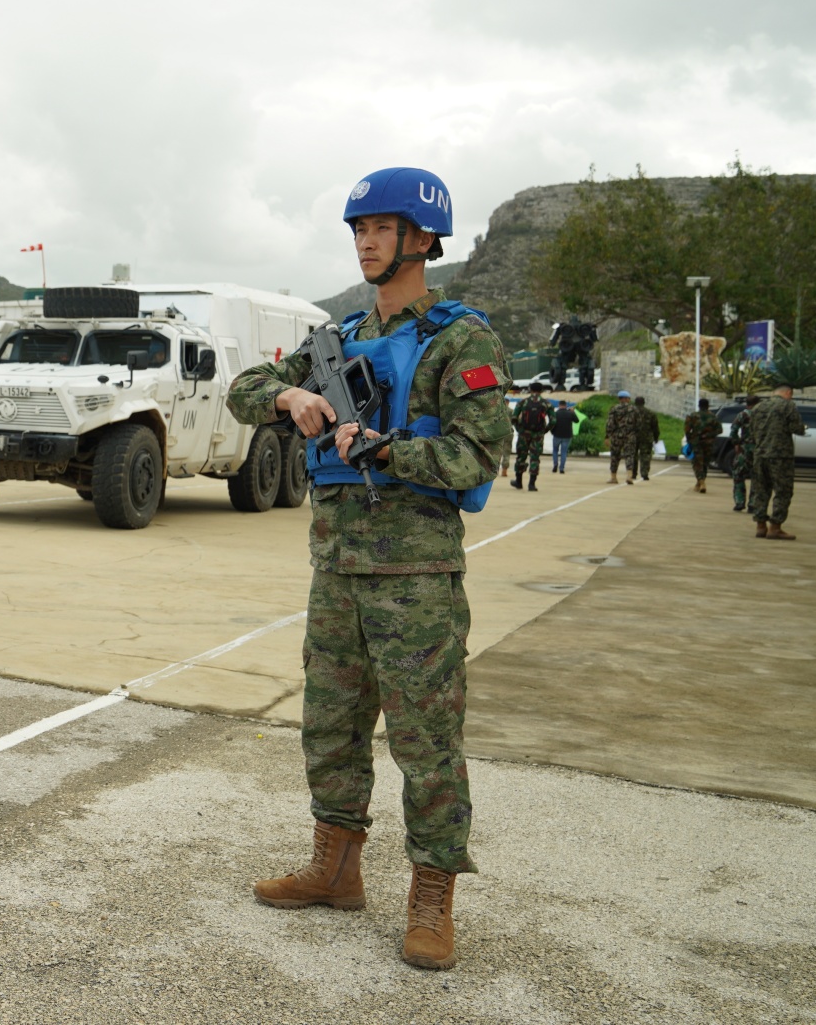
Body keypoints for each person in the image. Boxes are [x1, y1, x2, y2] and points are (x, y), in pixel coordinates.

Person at [228, 167, 511, 972]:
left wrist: (389, 451)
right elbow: (246, 388)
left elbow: (477, 455)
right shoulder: (339, 339)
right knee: (329, 725)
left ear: (422, 239)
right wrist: (291, 400)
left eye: (382, 228)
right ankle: (335, 867)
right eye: (359, 229)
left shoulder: (462, 339)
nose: (366, 241)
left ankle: (432, 895)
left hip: (416, 578)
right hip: (337, 569)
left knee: (426, 740)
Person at [748, 383, 809, 540]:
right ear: (788, 393)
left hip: (760, 455)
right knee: (783, 491)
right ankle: (775, 527)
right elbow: (797, 428)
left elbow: (751, 432)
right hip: (780, 456)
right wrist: (803, 427)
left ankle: (760, 526)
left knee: (760, 490)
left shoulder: (758, 407)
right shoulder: (788, 406)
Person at [510, 381, 551, 490]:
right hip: (538, 435)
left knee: (521, 457)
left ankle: (518, 482)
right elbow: (554, 421)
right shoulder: (546, 403)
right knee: (535, 458)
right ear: (541, 390)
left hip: (524, 434)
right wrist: (544, 431)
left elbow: (514, 418)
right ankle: (532, 484)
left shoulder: (523, 402)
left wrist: (519, 429)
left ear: (530, 390)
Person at [683, 398, 722, 494]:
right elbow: (719, 430)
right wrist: (709, 435)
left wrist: (690, 440)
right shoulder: (713, 416)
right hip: (709, 443)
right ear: (708, 406)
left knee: (697, 463)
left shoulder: (693, 416)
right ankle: (700, 483)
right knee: (705, 463)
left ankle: (701, 482)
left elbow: (687, 430)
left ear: (699, 406)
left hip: (697, 443)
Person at [729, 396, 760, 513]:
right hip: (759, 451)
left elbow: (733, 430)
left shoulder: (743, 415)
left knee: (738, 475)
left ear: (747, 404)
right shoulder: (764, 415)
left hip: (744, 449)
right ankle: (753, 504)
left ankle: (739, 502)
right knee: (757, 478)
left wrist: (736, 443)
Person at [606, 390, 640, 484]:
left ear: (619, 399)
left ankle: (613, 477)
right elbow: (639, 423)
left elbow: (610, 423)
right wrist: (635, 434)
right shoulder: (634, 409)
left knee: (615, 456)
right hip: (630, 436)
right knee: (629, 455)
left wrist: (607, 436)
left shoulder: (614, 409)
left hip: (617, 436)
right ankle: (629, 476)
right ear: (627, 399)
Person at [632, 396, 659, 480]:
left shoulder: (631, 412)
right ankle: (644, 473)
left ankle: (633, 473)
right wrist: (656, 437)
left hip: (633, 437)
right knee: (645, 455)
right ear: (644, 403)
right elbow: (655, 427)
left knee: (633, 455)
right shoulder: (650, 413)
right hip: (646, 438)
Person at [549, 400, 577, 473]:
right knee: (563, 452)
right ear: (566, 405)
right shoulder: (570, 413)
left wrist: (552, 432)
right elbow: (577, 420)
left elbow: (551, 423)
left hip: (557, 435)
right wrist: (573, 412)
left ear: (559, 405)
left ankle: (555, 465)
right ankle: (561, 468)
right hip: (567, 436)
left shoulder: (556, 413)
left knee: (555, 451)